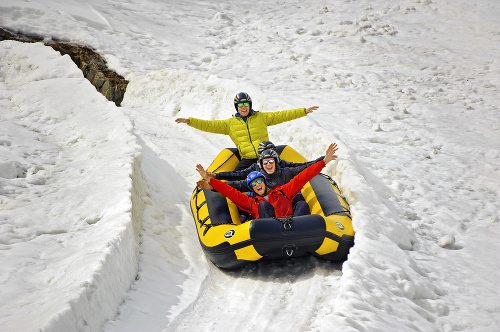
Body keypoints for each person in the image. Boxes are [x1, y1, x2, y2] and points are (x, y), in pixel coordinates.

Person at [176, 92, 318, 170]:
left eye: (246, 104)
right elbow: (209, 125)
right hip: (248, 159)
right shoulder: (230, 124)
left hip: (266, 155)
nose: (244, 107)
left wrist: (303, 111)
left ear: (250, 105)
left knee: (284, 172)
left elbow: (282, 115)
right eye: (240, 105)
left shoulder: (260, 117)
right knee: (237, 175)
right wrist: (190, 121)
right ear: (236, 107)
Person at [195, 143, 338, 219]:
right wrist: (212, 182)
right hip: (269, 231)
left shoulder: (282, 190)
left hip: (292, 227)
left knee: (301, 203)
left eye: (259, 181)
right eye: (254, 184)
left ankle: (302, 230)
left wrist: (323, 161)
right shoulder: (252, 202)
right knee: (264, 207)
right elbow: (231, 190)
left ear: (264, 182)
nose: (258, 185)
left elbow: (303, 175)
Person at [207, 140, 324, 182]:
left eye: (273, 152)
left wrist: (319, 161)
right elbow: (237, 175)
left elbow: (300, 167)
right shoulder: (255, 168)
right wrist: (216, 176)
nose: (270, 155)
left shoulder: (283, 165)